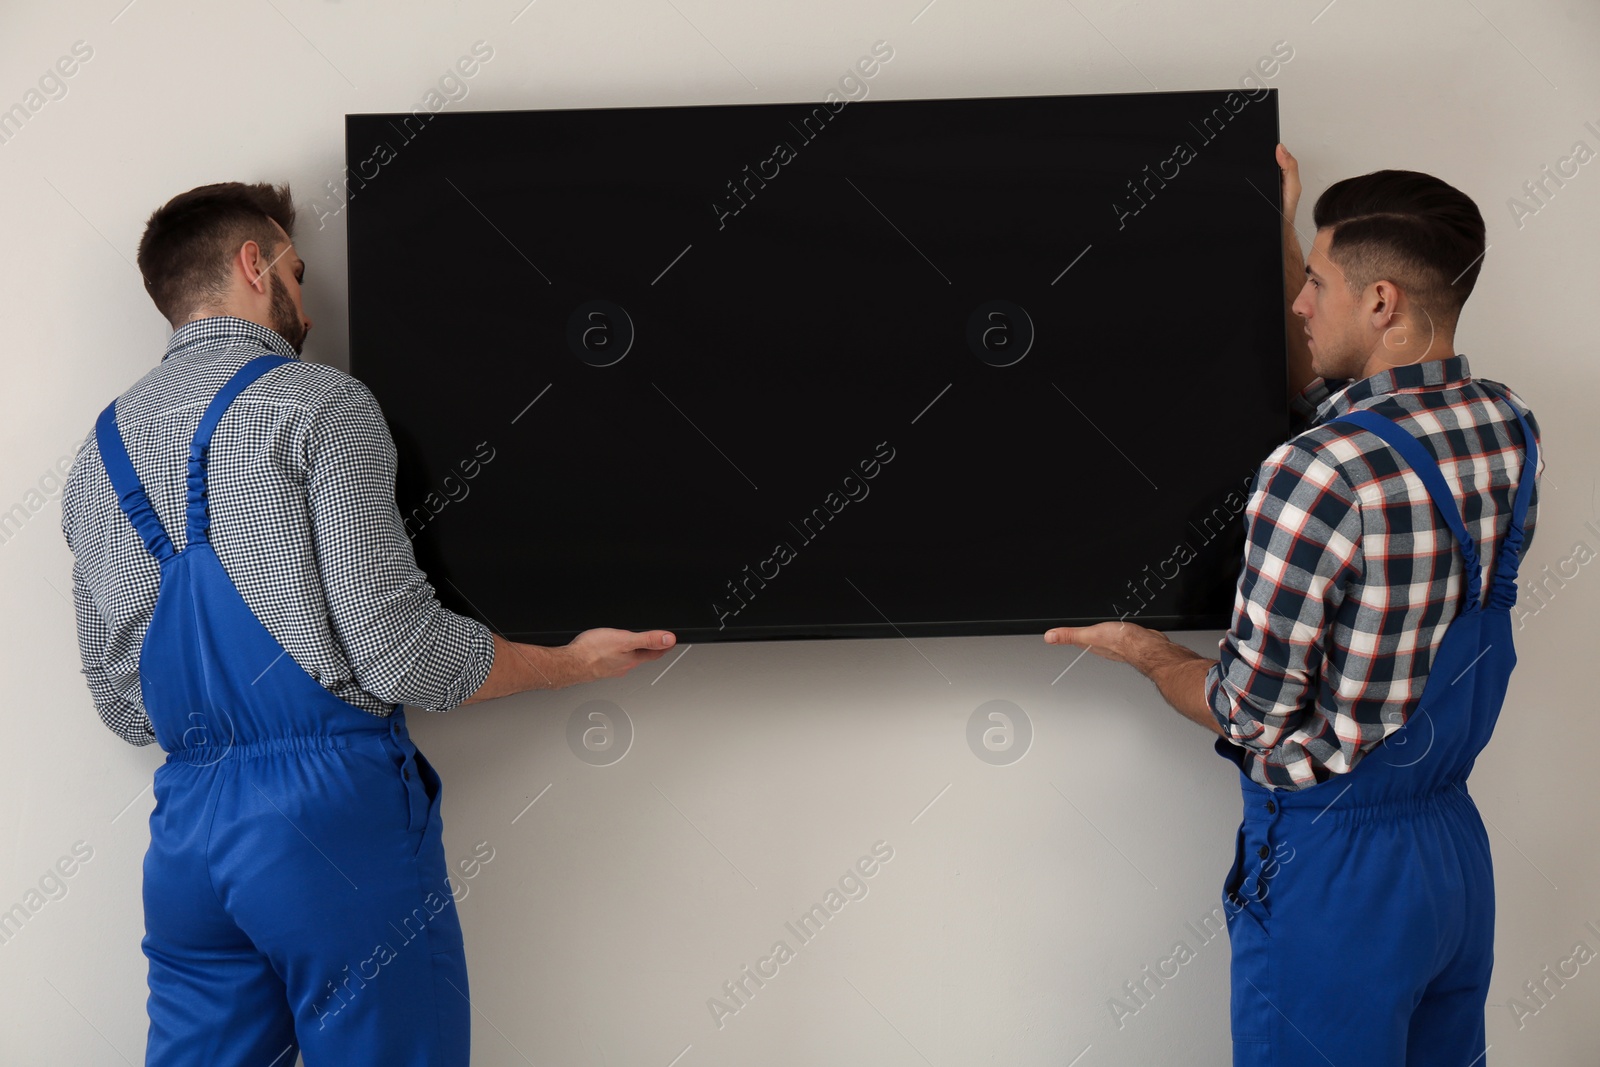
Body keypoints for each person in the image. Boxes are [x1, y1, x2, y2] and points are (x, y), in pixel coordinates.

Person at [60, 181, 676, 1067]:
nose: (305, 306)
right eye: (297, 273)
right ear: (253, 263)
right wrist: (568, 665)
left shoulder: (96, 457)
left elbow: (126, 710)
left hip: (187, 836)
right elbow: (402, 657)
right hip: (330, 826)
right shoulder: (320, 404)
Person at [1046, 144, 1542, 1066]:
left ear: (1382, 301)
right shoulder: (1506, 426)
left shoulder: (1314, 473)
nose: (1298, 304)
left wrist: (1148, 653)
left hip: (1333, 873)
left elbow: (1249, 711)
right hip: (1452, 861)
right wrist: (1283, 229)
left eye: (1315, 282)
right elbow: (1336, 399)